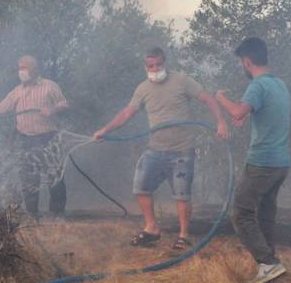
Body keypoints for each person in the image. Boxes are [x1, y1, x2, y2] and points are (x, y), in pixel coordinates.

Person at [93, 47, 229, 249]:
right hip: (155, 148)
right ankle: (151, 228)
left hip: (182, 149)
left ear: (165, 62)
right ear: (145, 67)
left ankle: (183, 236)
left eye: (158, 64)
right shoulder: (142, 89)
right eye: (151, 66)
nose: (155, 69)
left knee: (182, 195)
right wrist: (105, 129)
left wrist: (221, 123)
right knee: (140, 187)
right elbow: (127, 113)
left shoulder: (182, 80)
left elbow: (208, 99)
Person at [215, 37, 291, 283]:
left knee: (241, 212)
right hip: (281, 163)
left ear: (247, 61)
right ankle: (271, 265)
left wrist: (221, 99)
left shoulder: (257, 86)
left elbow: (237, 111)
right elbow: (265, 114)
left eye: (241, 62)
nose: (242, 66)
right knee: (265, 213)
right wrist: (246, 113)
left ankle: (267, 263)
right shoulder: (279, 85)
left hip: (262, 162)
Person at [0, 55, 70, 219]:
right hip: (26, 139)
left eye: (24, 68)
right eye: (19, 68)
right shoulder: (17, 91)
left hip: (49, 137)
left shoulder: (50, 86)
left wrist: (52, 110)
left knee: (54, 175)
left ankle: (58, 213)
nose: (20, 72)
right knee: (28, 177)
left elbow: (64, 104)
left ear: (34, 69)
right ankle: (32, 214)